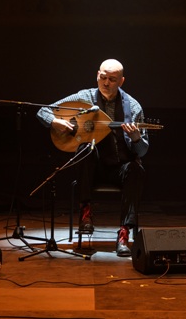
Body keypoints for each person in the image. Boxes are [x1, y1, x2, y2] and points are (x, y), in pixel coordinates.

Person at [36, 59, 149, 257]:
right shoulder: (84, 97)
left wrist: (136, 138)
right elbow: (43, 110)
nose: (106, 83)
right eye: (103, 77)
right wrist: (54, 122)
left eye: (112, 79)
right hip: (91, 169)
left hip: (119, 168)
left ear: (121, 81)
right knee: (85, 148)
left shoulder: (133, 106)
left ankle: (124, 234)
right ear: (97, 75)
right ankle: (86, 214)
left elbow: (142, 151)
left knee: (136, 169)